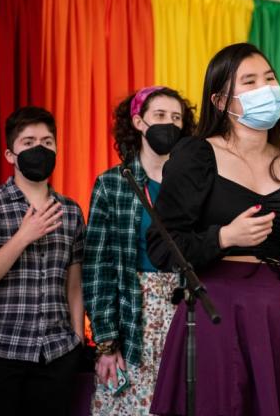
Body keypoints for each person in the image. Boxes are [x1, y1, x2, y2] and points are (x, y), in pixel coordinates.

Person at [146, 42, 280, 416]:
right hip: (216, 305)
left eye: (270, 78)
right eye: (250, 81)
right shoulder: (196, 155)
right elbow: (162, 247)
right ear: (220, 99)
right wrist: (225, 238)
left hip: (272, 310)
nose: (266, 88)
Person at [0, 106, 85, 416]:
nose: (39, 149)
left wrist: (77, 340)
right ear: (10, 155)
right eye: (28, 143)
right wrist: (23, 236)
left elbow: (74, 284)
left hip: (56, 355)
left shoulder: (70, 211)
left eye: (47, 142)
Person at [83, 86, 196, 415]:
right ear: (138, 121)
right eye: (160, 116)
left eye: (176, 118)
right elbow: (96, 268)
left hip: (185, 310)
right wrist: (106, 341)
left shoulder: (193, 185)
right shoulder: (112, 183)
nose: (169, 124)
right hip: (133, 316)